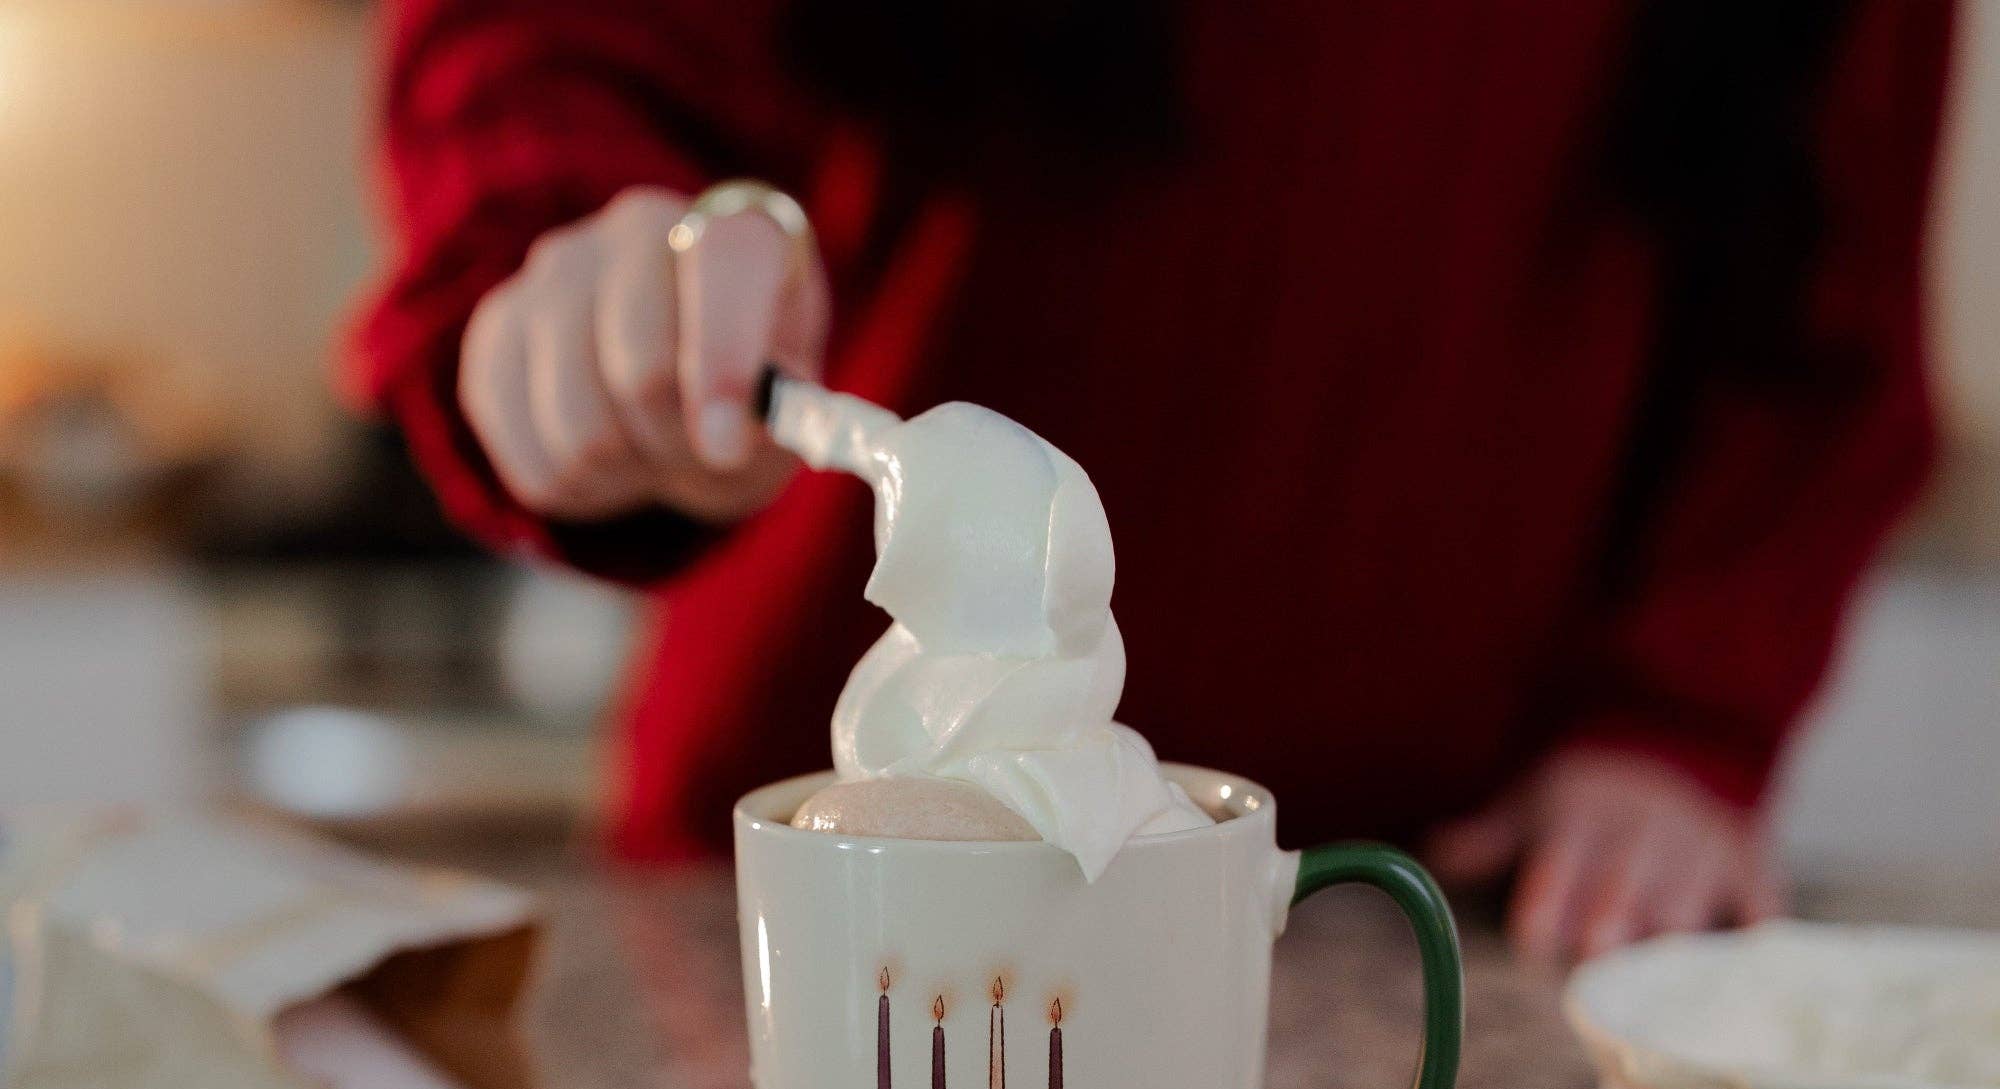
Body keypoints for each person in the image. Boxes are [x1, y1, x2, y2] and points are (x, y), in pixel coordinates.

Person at [352, 0, 1952, 959]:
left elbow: (1822, 315)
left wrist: (1681, 716)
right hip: (818, 885)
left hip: (1440, 898)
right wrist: (585, 273)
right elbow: (553, 47)